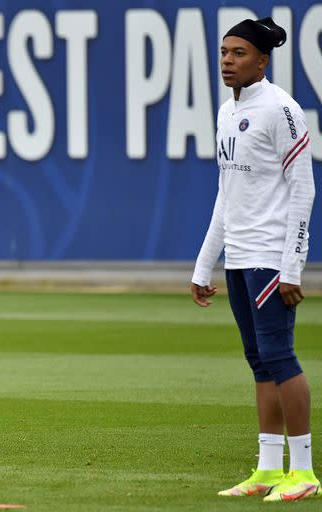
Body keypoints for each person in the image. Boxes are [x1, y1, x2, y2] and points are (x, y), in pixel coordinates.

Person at [191, 17, 317, 501]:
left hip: (270, 256)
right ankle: (267, 468)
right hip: (240, 258)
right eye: (224, 52)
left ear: (262, 60)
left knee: (280, 357)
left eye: (239, 53)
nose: (227, 60)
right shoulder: (227, 111)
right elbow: (226, 194)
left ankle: (303, 472)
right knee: (259, 362)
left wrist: (292, 267)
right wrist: (206, 266)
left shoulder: (281, 110)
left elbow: (303, 190)